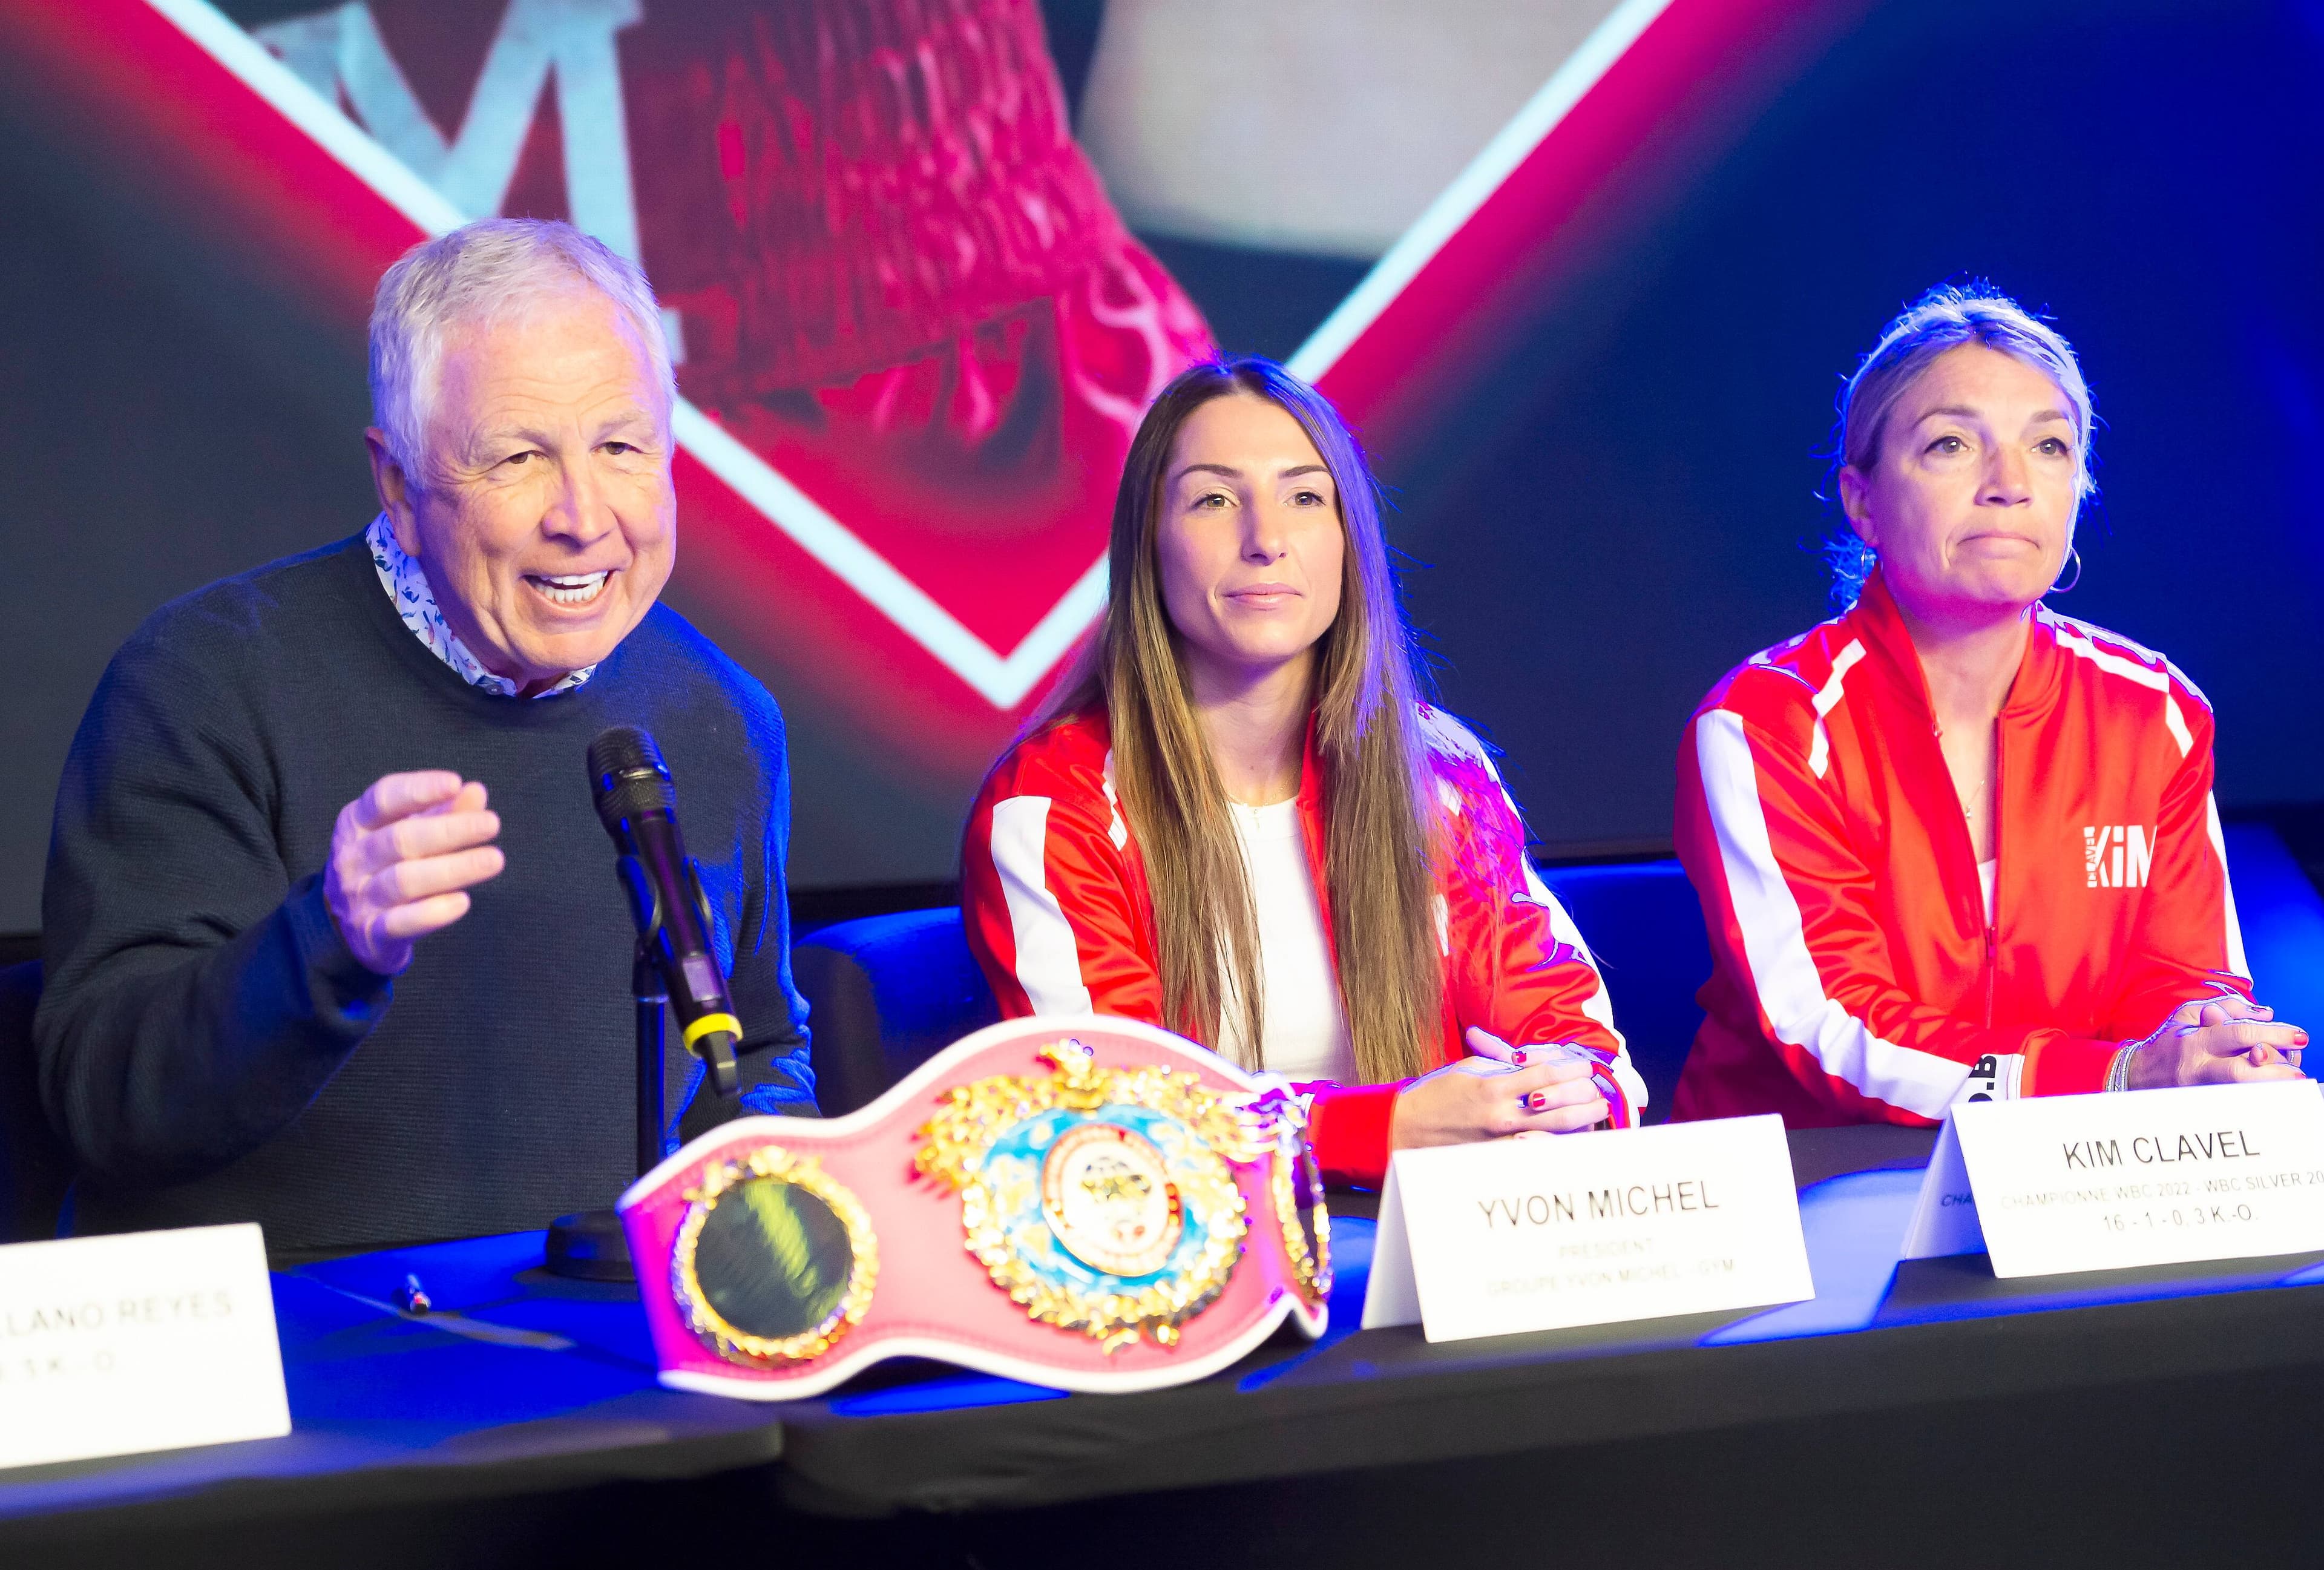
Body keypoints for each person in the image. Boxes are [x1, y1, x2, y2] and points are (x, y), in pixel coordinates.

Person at [36, 219, 813, 1256]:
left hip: (630, 1358)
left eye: (622, 447)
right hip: (315, 1374)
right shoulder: (204, 683)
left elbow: (757, 1047)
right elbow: (106, 1103)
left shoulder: (721, 713)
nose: (583, 516)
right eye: (519, 457)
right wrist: (330, 941)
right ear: (398, 486)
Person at [962, 357, 1646, 1187]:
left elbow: (1582, 1046)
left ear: (1348, 539)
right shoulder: (1051, 805)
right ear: (1148, 544)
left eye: (1305, 497)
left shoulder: (1438, 774)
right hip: (1190, 1278)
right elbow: (1113, 1122)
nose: (1266, 540)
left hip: (1446, 1251)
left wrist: (1555, 1105)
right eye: (1214, 499)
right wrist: (1377, 1130)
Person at [1672, 284, 2305, 1126]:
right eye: (1950, 445)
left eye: (2049, 446)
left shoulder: (2155, 713)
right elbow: (1835, 1028)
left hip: (2081, 1178)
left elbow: (2190, 984)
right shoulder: (1765, 725)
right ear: (1861, 501)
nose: (2010, 484)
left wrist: (2219, 1050)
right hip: (1815, 1192)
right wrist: (2110, 1078)